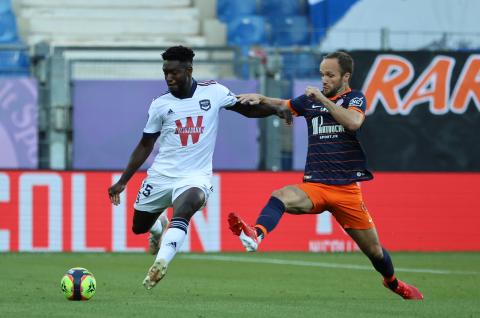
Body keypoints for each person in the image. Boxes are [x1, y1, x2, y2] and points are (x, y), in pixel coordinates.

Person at [228, 51, 424, 300]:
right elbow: (280, 106)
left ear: (346, 76)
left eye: (330, 75)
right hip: (317, 186)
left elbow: (353, 123)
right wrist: (261, 98)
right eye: (322, 74)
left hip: (347, 191)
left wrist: (323, 98)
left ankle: (394, 283)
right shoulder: (309, 102)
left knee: (374, 252)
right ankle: (256, 234)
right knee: (280, 196)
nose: (324, 79)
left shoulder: (355, 98)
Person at [108, 46, 291, 290]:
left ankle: (161, 263)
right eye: (165, 72)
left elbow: (247, 109)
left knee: (186, 207)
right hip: (162, 175)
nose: (169, 77)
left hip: (195, 176)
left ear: (189, 70)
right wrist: (123, 181)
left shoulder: (214, 92)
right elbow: (145, 144)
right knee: (139, 227)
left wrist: (274, 109)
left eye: (174, 72)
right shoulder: (160, 105)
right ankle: (157, 227)